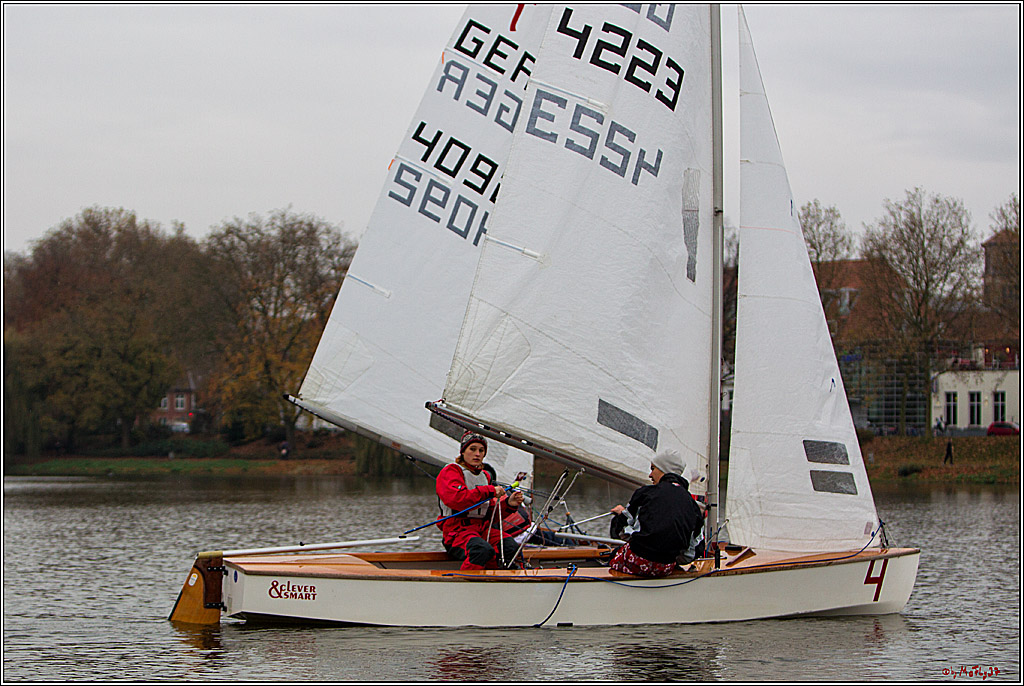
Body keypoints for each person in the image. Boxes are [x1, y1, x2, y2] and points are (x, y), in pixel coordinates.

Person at [436, 431, 525, 570]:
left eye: (481, 450)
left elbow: (488, 514)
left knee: (510, 547)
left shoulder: (485, 477)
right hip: (457, 533)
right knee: (480, 550)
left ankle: (499, 580)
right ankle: (467, 586)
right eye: (472, 449)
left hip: (482, 530)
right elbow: (457, 499)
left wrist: (508, 504)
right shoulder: (451, 471)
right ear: (463, 451)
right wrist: (489, 491)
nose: (477, 454)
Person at [607, 449, 703, 578]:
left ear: (664, 469)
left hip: (637, 562)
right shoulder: (692, 504)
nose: (650, 475)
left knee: (613, 555)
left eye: (653, 469)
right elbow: (693, 549)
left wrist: (621, 514)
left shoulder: (646, 493)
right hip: (665, 567)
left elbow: (624, 532)